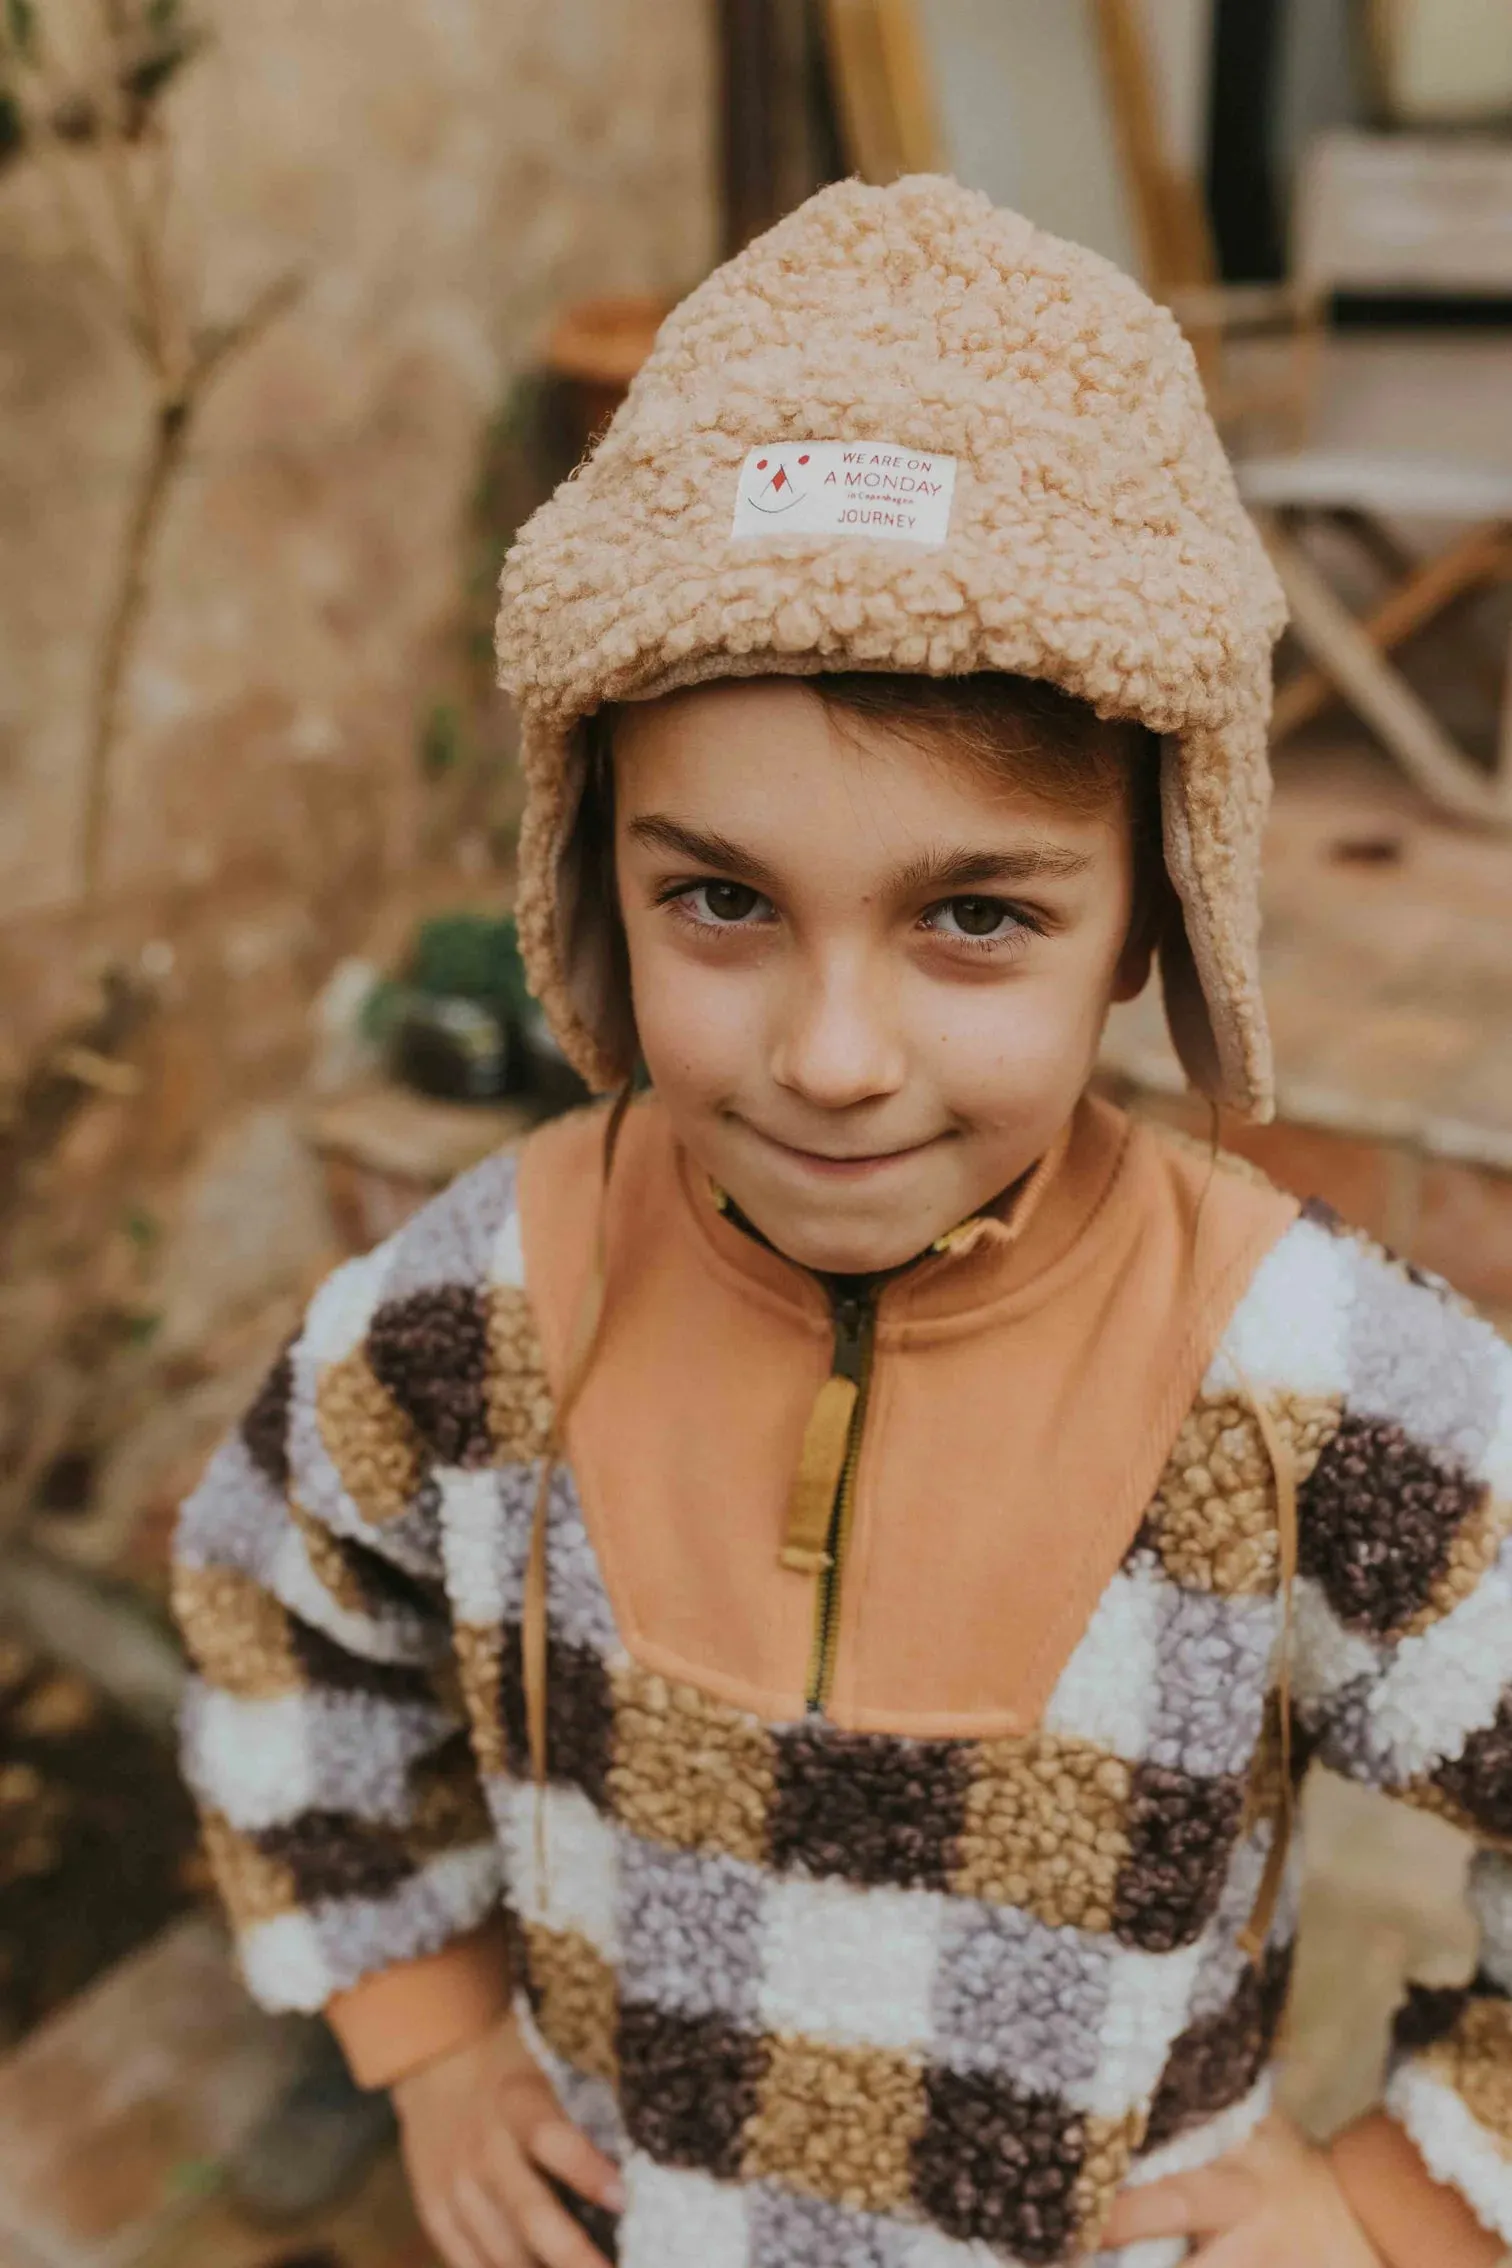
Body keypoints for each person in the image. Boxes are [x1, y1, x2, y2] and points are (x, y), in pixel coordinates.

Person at [171, 176, 1512, 2268]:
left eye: (975, 916)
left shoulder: (1305, 1377)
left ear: (1158, 906)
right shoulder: (487, 1299)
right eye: (721, 899)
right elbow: (277, 1599)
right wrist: (429, 2034)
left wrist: (1401, 2198)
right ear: (592, 874)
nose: (835, 1053)